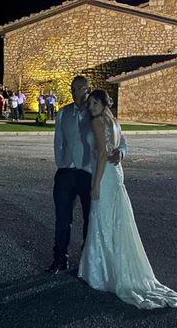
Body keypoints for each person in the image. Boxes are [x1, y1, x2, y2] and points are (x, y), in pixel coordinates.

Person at [78, 89, 177, 309]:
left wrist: (96, 183)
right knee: (117, 220)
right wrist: (118, 154)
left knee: (103, 219)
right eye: (89, 104)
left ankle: (102, 272)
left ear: (103, 104)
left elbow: (101, 154)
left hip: (106, 175)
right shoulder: (114, 121)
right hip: (116, 174)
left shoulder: (99, 122)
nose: (90, 107)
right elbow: (116, 146)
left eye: (94, 103)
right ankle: (110, 267)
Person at [48, 76, 126, 275]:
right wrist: (61, 163)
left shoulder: (97, 113)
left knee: (90, 219)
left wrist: (121, 152)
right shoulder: (63, 113)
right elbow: (58, 140)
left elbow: (120, 139)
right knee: (62, 219)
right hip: (66, 172)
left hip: (88, 174)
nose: (76, 92)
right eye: (73, 88)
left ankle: (87, 260)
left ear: (88, 89)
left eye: (80, 88)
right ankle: (60, 259)